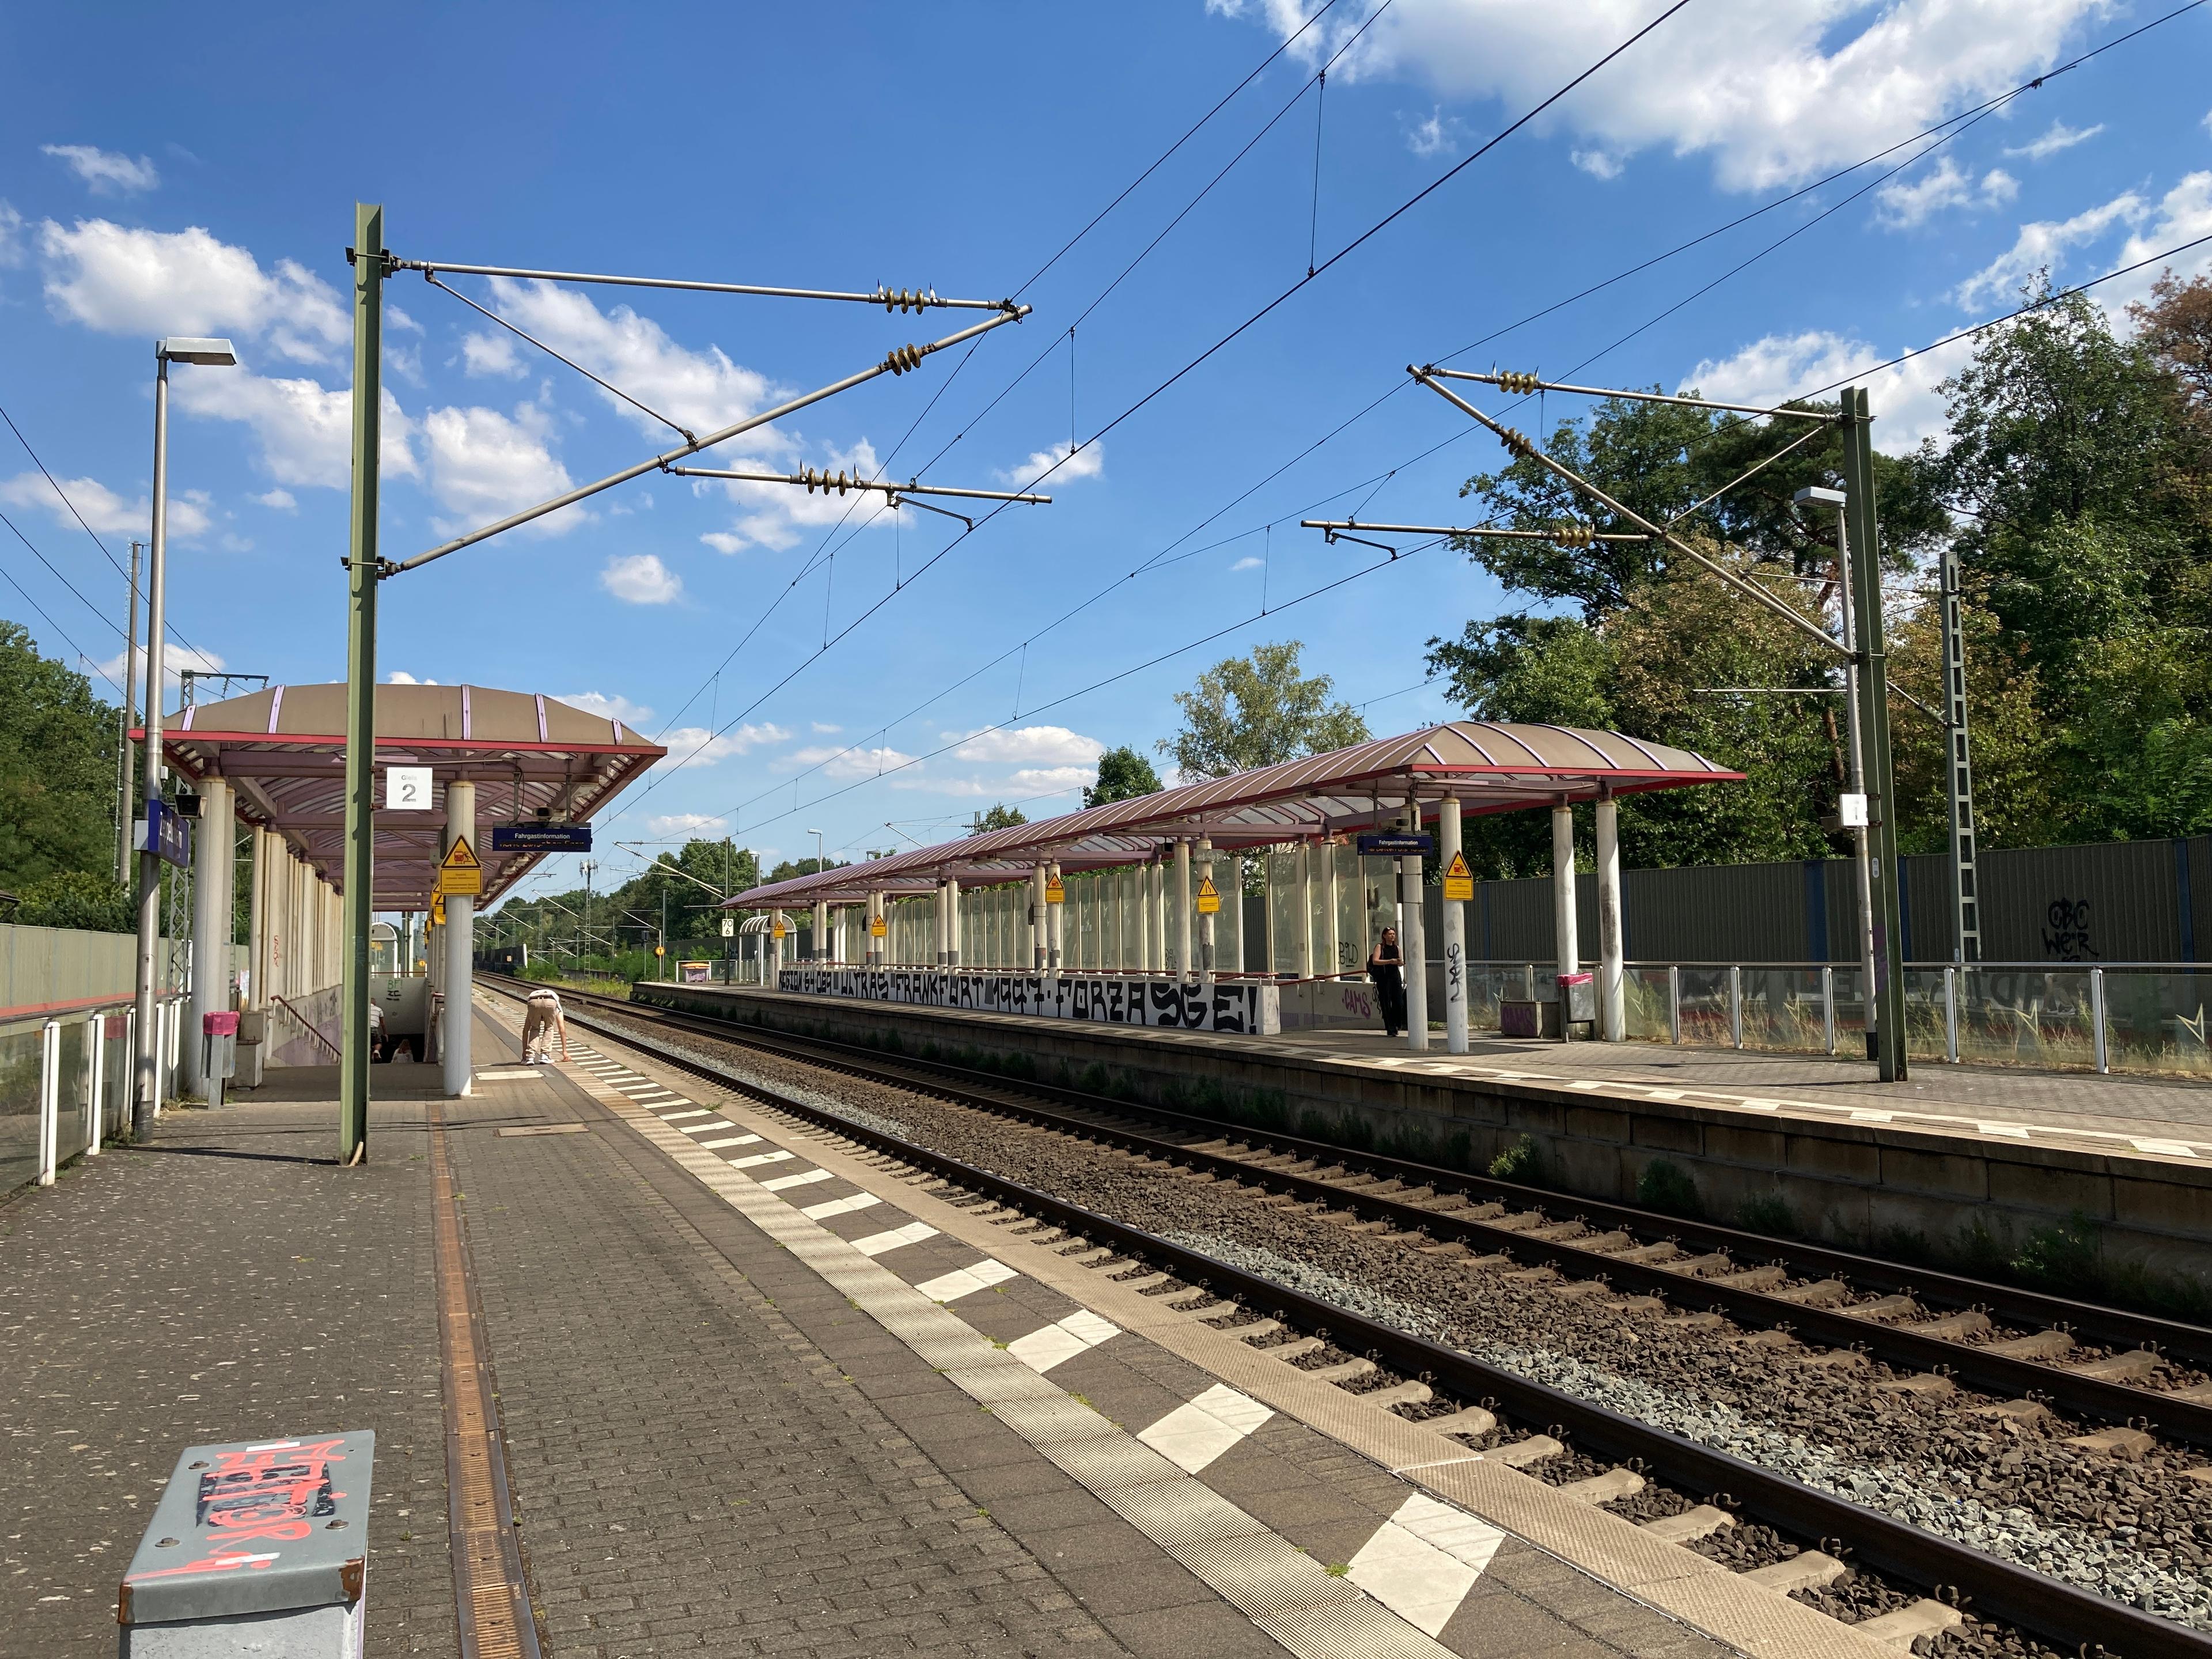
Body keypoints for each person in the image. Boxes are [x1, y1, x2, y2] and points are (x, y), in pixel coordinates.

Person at [1368, 926, 1407, 1039]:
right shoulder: (1380, 947)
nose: (1392, 936)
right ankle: (1390, 1028)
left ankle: (1397, 1024)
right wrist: (1390, 961)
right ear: (1384, 936)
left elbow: (1400, 960)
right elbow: (1375, 961)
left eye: (1393, 934)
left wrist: (1400, 962)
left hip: (1395, 976)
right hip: (1384, 977)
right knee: (1386, 1002)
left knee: (1399, 1002)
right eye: (1390, 934)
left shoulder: (1397, 948)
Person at [521, 984, 568, 1064]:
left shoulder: (532, 1011)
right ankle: (545, 1056)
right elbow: (562, 1030)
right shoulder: (557, 1007)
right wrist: (565, 1052)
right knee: (549, 1027)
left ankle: (530, 1057)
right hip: (550, 1000)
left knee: (535, 1028)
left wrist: (524, 1053)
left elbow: (525, 1030)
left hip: (533, 1001)